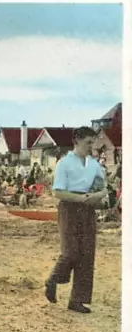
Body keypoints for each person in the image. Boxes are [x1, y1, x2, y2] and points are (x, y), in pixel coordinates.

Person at [44, 127, 108, 314]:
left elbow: (102, 188)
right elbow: (57, 192)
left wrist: (98, 196)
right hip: (69, 207)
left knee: (86, 254)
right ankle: (53, 279)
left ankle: (78, 300)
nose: (91, 146)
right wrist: (80, 198)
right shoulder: (64, 164)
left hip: (88, 208)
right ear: (77, 141)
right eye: (88, 142)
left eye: (93, 142)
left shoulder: (94, 165)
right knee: (70, 251)